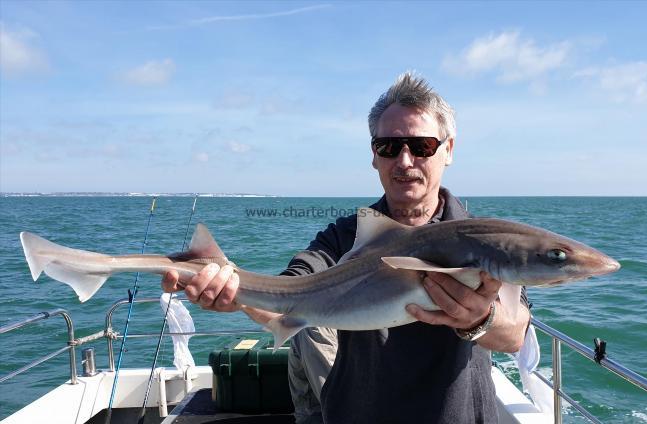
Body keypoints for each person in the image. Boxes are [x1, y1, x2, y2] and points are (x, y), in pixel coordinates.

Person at [162, 72, 531, 423]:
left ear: (448, 150)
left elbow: (514, 334)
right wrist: (233, 290)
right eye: (388, 147)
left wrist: (481, 318)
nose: (404, 161)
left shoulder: (483, 240)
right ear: (374, 156)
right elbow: (290, 293)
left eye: (421, 146)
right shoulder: (346, 237)